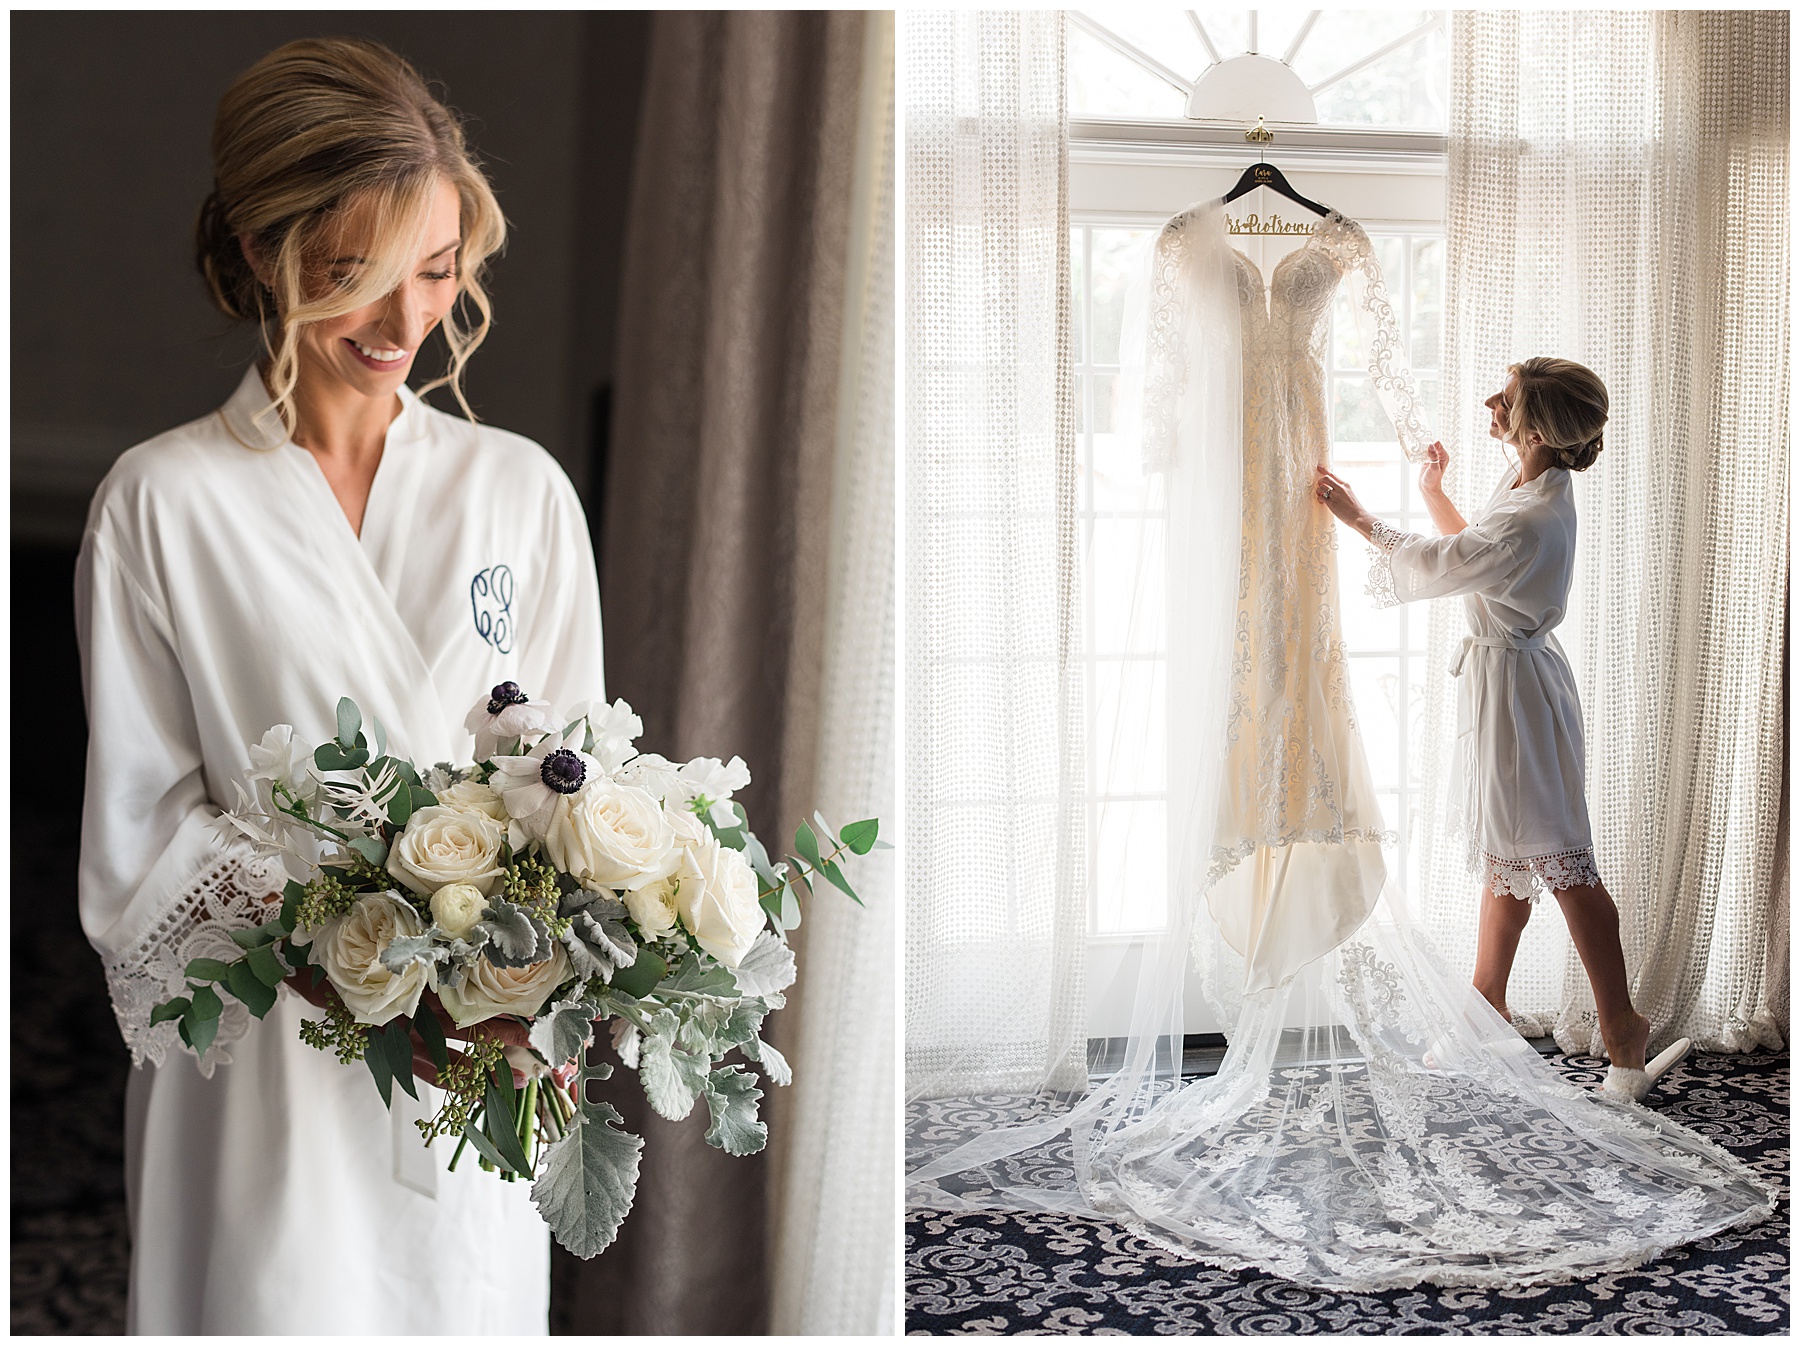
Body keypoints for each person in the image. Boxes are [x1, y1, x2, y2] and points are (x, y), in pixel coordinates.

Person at [76, 38, 602, 1332]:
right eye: (351, 277)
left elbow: (583, 787)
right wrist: (368, 970)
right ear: (264, 254)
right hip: (268, 1071)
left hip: (480, 1061)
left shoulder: (519, 492)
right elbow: (141, 838)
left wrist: (520, 1001)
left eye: (435, 272)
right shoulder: (163, 505)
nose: (402, 320)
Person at [1313, 357, 1688, 1098]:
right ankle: (1486, 1008)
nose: (1492, 401)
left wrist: (1359, 520)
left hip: (1518, 699)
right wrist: (1434, 492)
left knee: (1563, 865)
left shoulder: (1536, 513)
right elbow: (1479, 561)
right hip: (1505, 686)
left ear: (1541, 429)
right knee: (1508, 859)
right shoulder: (1528, 483)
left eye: (1508, 398)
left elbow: (1449, 562)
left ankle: (1622, 1031)